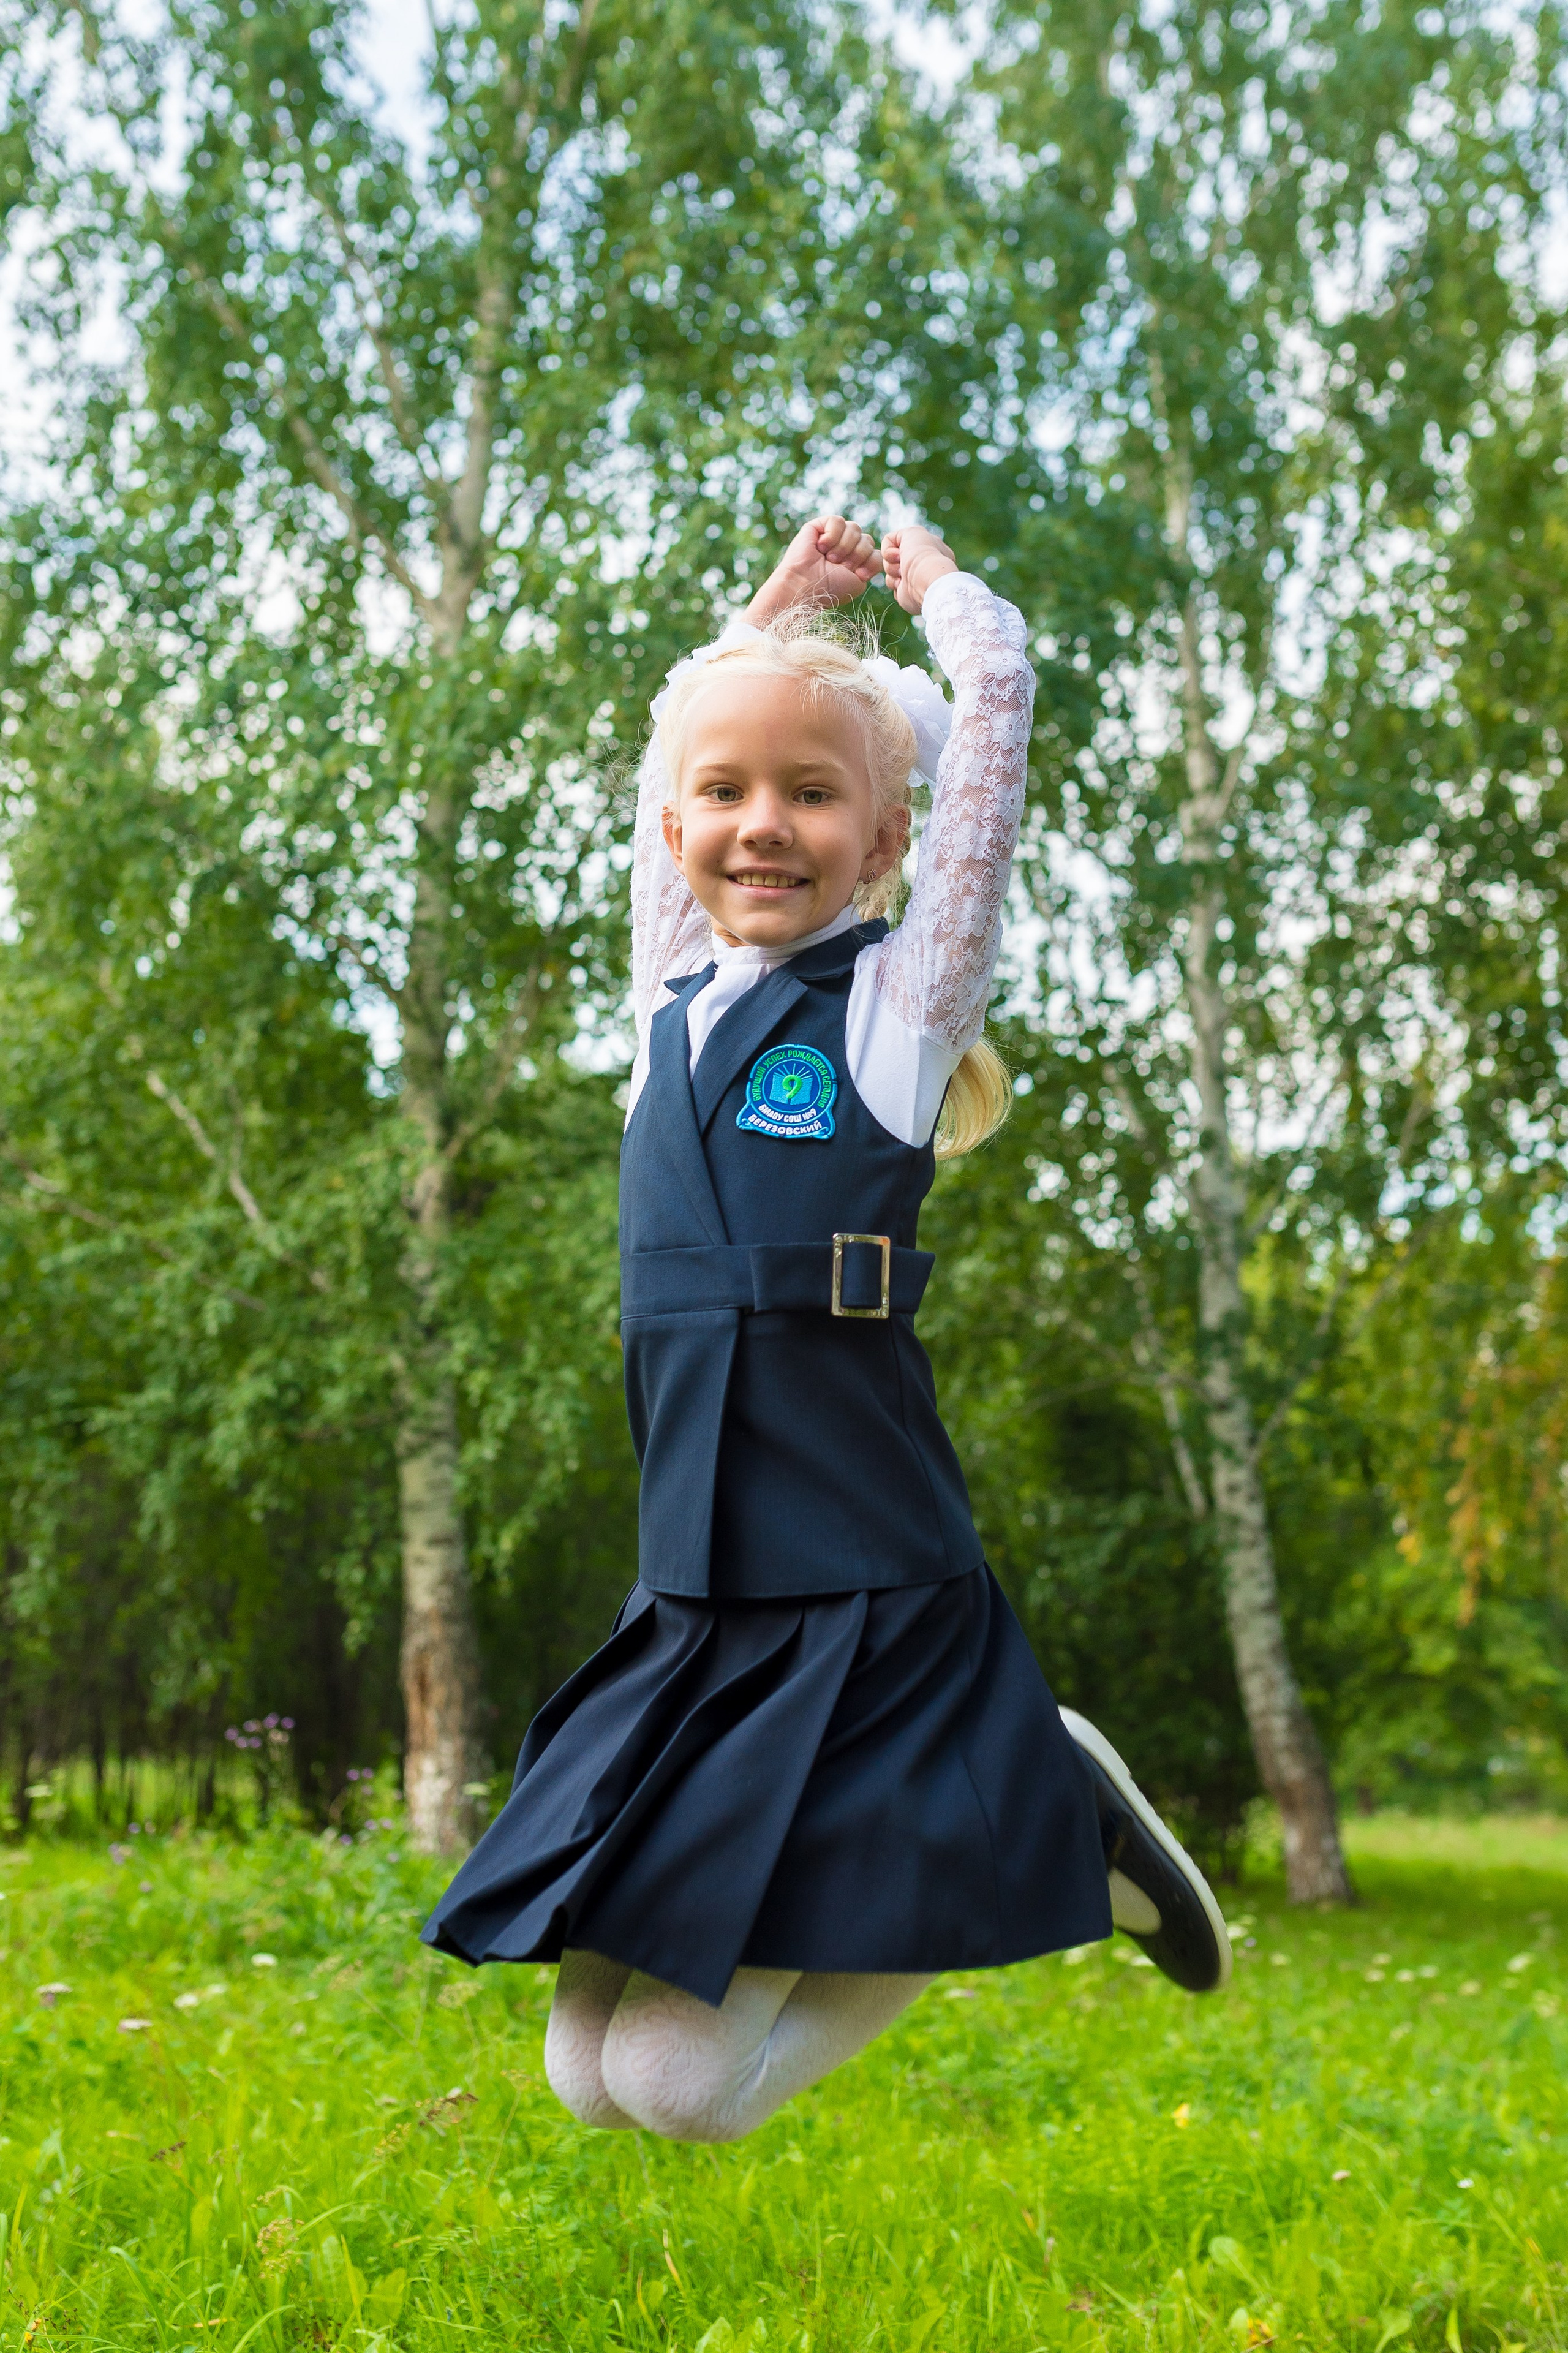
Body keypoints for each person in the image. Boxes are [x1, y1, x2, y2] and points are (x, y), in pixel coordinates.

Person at [422, 515, 1230, 2143]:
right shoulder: (665, 1012)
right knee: (587, 2078)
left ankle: (1040, 1815)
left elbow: (988, 760)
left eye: (812, 795)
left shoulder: (891, 1015)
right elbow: (687, 742)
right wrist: (773, 614)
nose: (763, 825)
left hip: (857, 1580)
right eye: (725, 795)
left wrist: (955, 613)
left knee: (679, 2087)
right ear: (673, 826)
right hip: (697, 1592)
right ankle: (1035, 1796)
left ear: (883, 837)